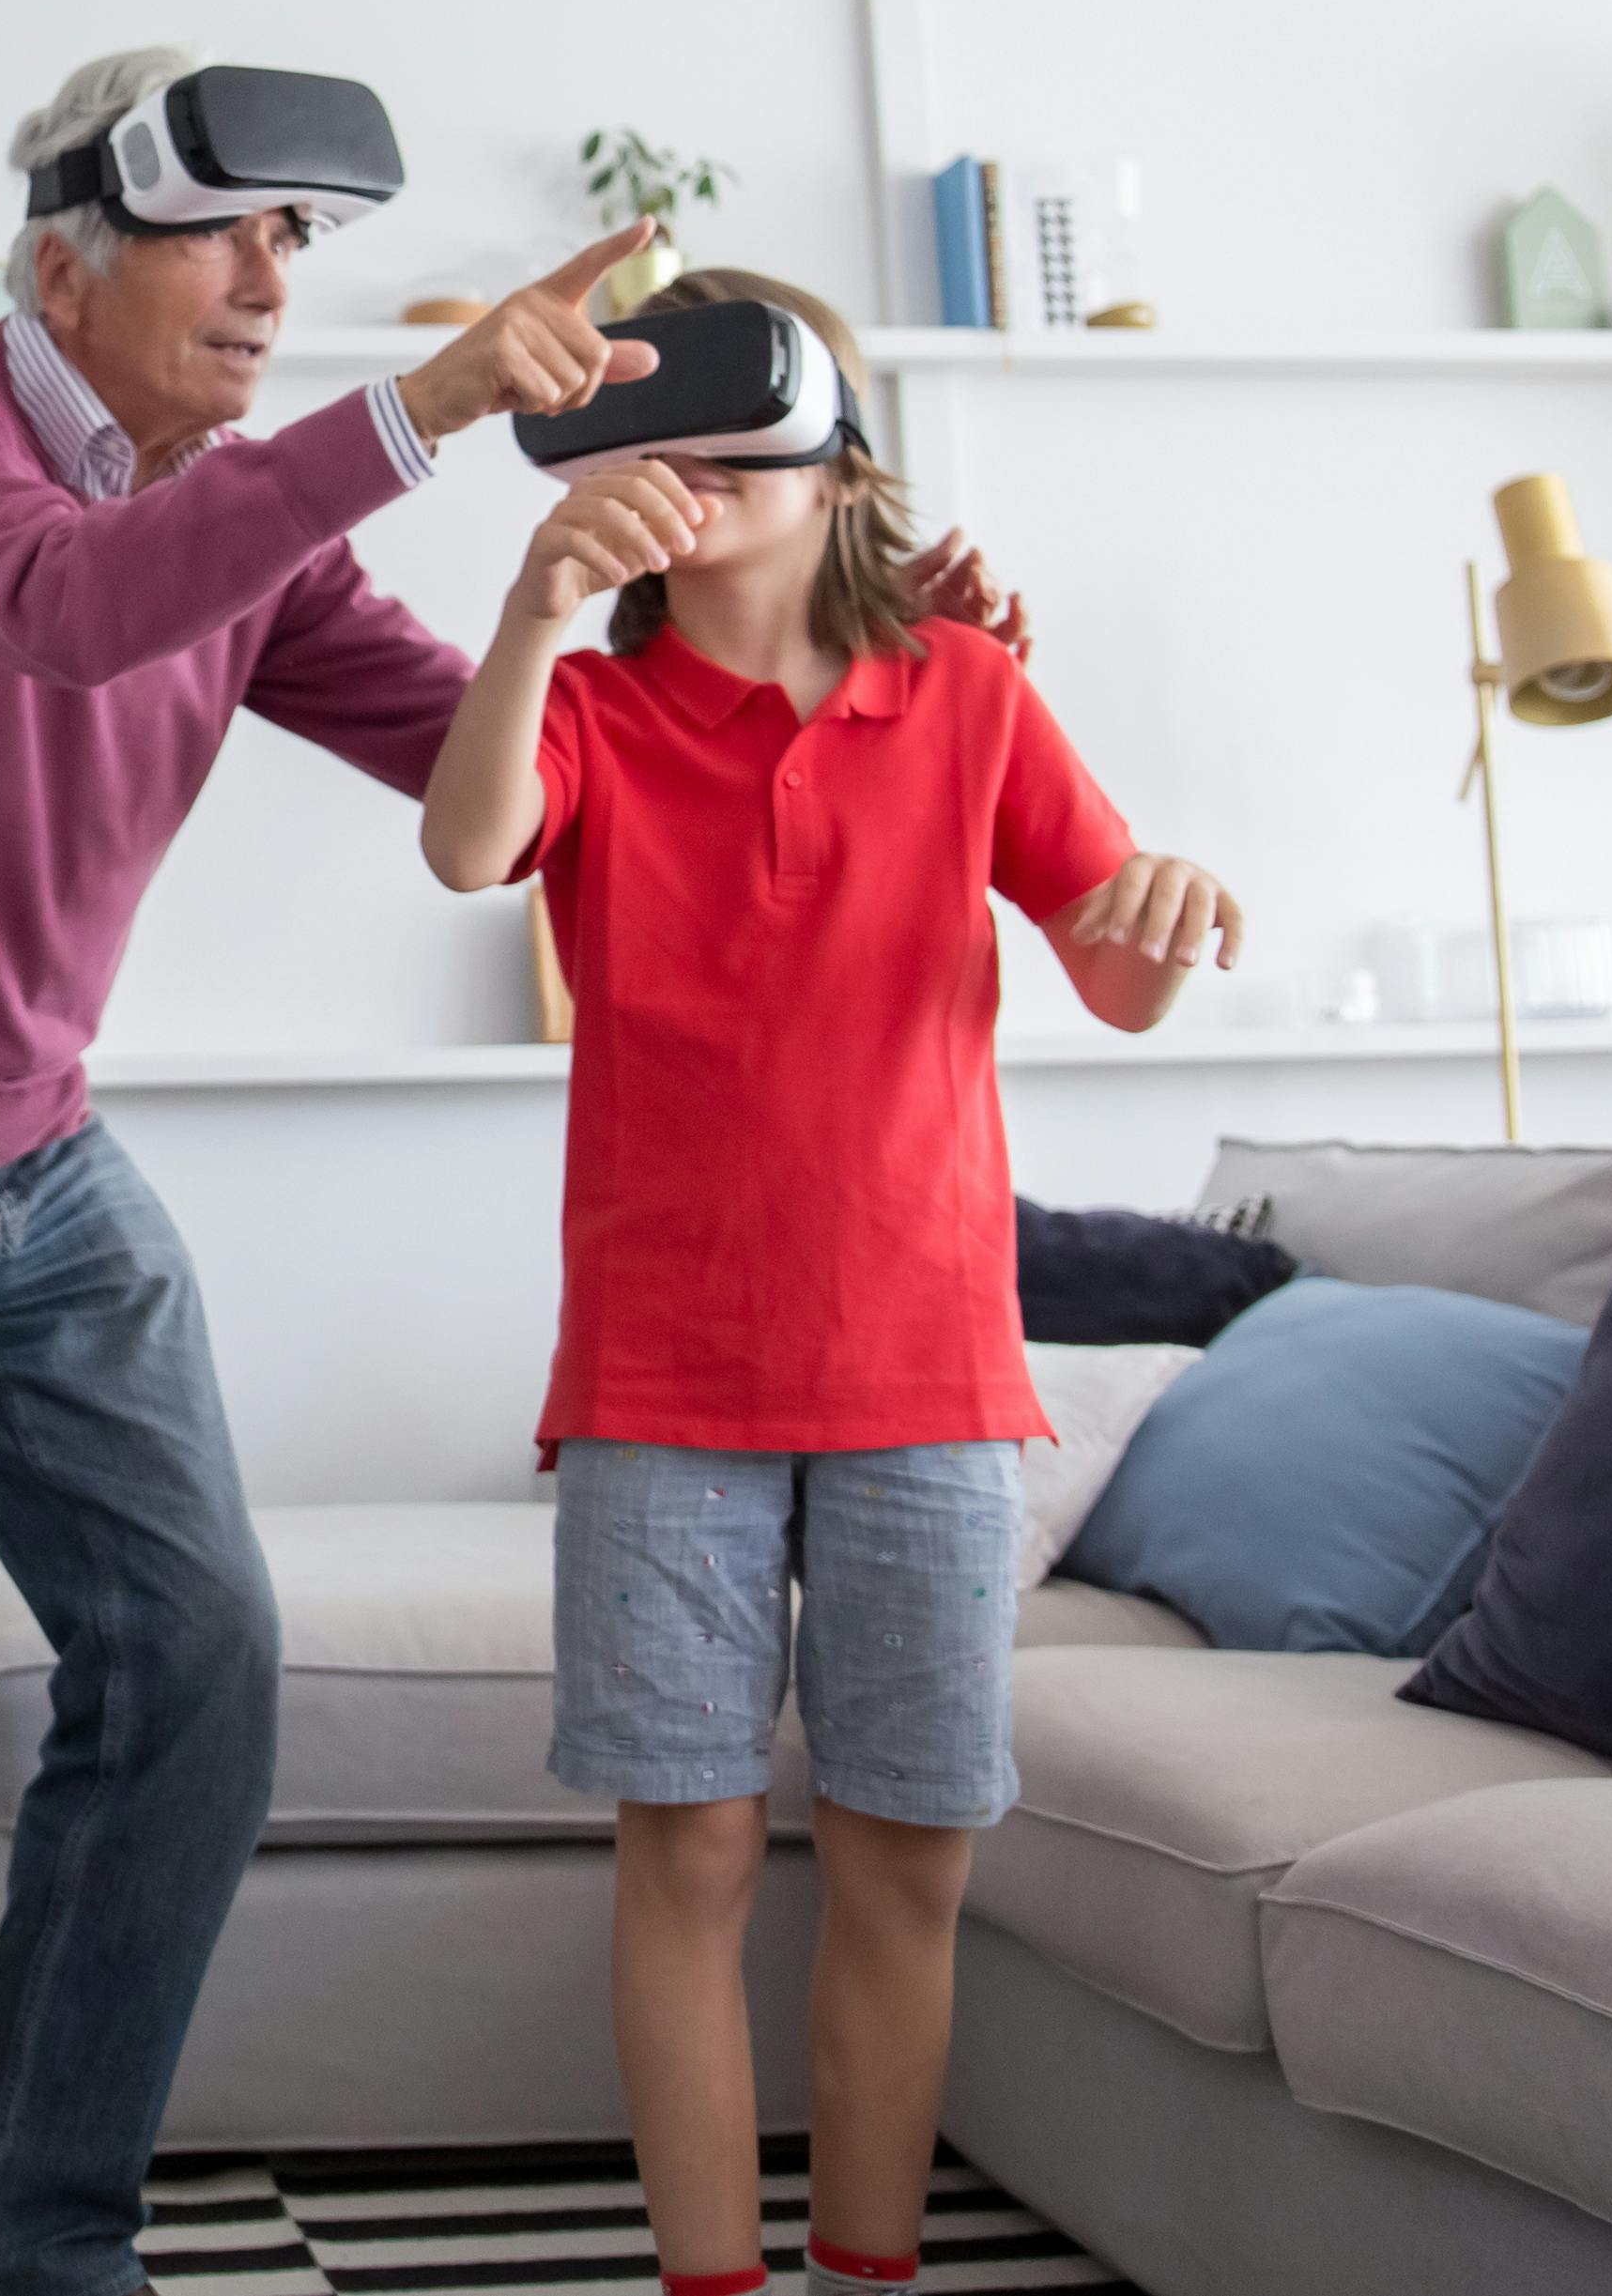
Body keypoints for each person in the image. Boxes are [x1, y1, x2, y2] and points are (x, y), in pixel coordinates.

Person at [0, 54, 1024, 2296]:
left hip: (30, 1155)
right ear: (66, 249)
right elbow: (72, 601)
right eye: (226, 234)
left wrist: (844, 633)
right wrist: (425, 411)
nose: (273, 285)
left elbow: (513, 768)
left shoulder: (249, 527)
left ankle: (37, 2256)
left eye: (300, 249)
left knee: (200, 1662)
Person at [415, 267, 1236, 2296]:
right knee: (683, 1849)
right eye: (641, 429)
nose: (681, 464)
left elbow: (1116, 971)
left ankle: (867, 2272)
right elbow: (463, 842)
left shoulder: (964, 692)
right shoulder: (593, 708)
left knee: (906, 1858)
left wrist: (1172, 903)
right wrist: (528, 606)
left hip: (932, 1379)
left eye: (724, 423)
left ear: (834, 458)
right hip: (659, 1377)